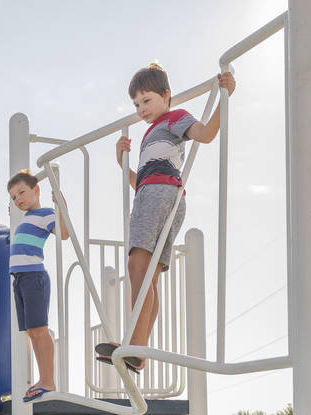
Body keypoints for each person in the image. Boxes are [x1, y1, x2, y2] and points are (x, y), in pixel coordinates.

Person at [97, 62, 236, 373]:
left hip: (159, 197)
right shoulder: (150, 134)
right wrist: (122, 162)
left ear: (166, 96)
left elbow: (206, 134)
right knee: (147, 276)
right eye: (136, 104)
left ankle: (134, 344)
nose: (141, 109)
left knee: (137, 267)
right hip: (153, 193)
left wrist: (225, 95)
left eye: (147, 100)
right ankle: (138, 349)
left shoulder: (174, 118)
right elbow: (140, 182)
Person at [7, 169, 69, 402]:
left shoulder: (45, 213)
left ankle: (48, 381)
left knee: (39, 330)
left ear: (36, 190)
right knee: (32, 332)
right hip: (20, 278)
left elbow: (63, 234)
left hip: (34, 276)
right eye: (14, 197)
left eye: (22, 192)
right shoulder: (25, 218)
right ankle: (43, 380)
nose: (18, 199)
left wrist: (61, 205)